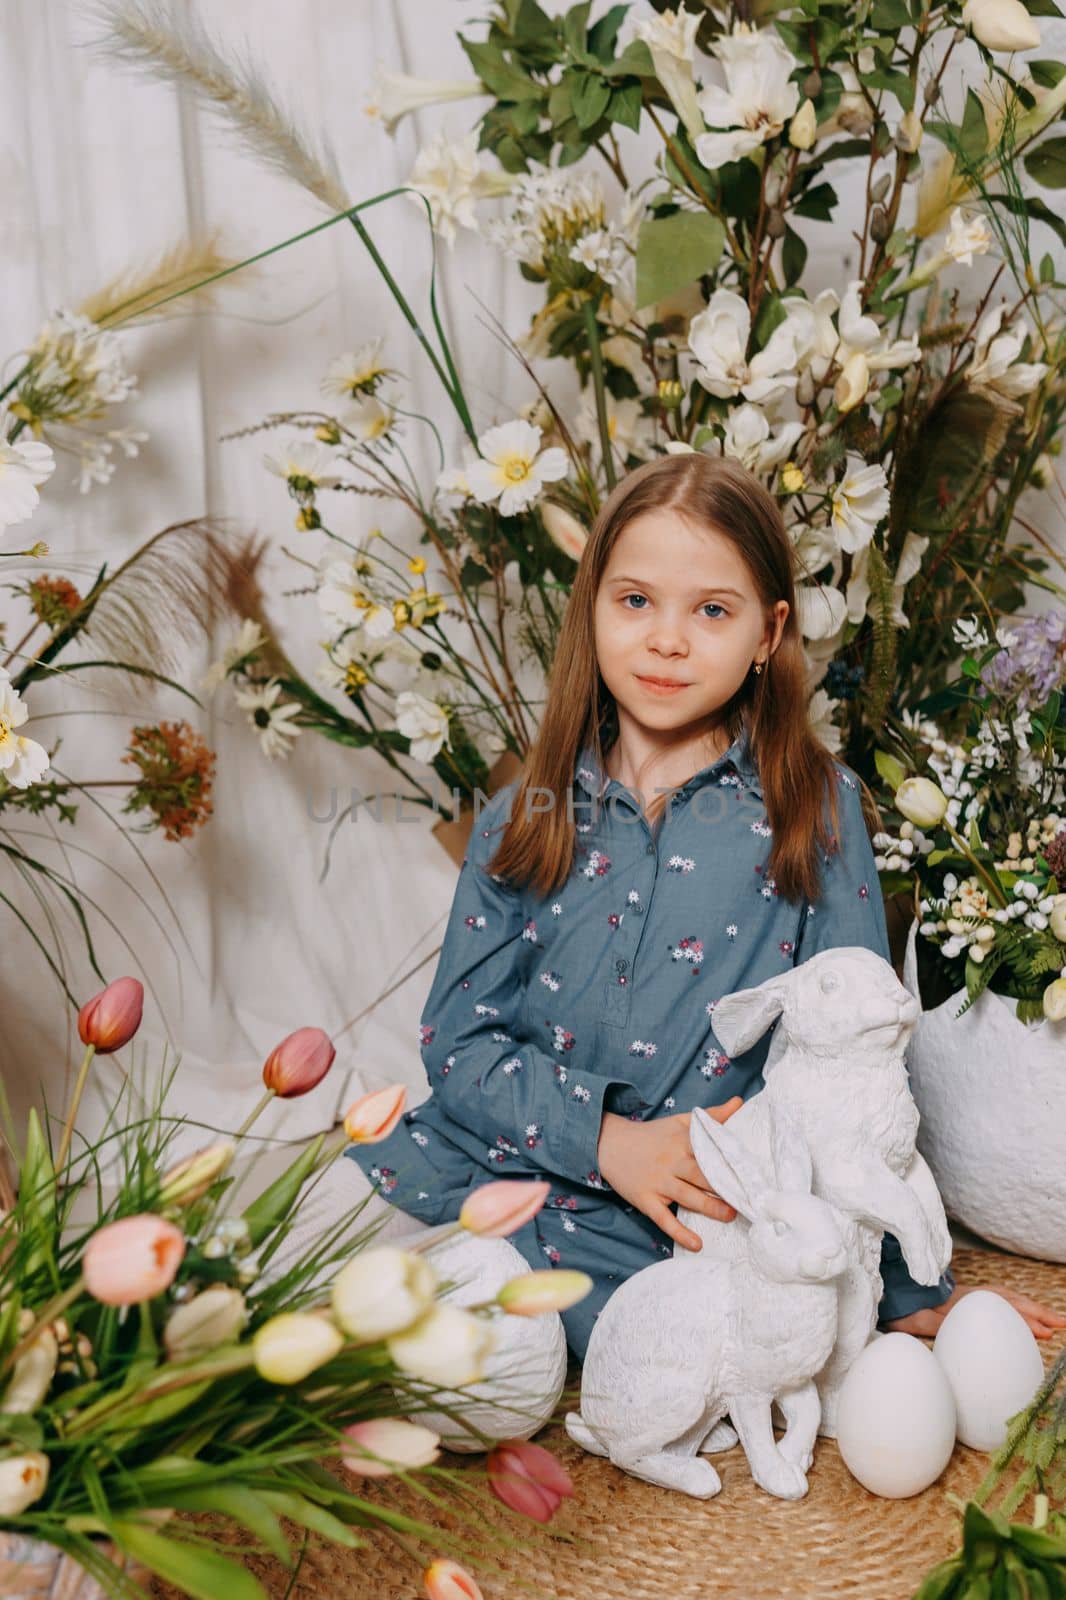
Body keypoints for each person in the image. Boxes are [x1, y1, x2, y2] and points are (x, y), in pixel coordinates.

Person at [346, 452, 1065, 1360]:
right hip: (508, 1171)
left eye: (711, 611)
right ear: (593, 606)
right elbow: (459, 1045)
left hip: (691, 1232)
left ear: (769, 633)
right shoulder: (524, 812)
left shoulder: (815, 806)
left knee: (544, 1361)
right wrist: (605, 1141)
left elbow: (859, 1061)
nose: (667, 640)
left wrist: (908, 1292)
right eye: (636, 601)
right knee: (336, 1280)